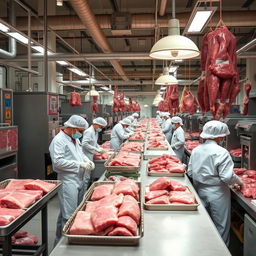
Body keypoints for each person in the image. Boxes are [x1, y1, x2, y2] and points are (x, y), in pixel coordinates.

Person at [187, 120, 243, 246]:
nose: (224, 137)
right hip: (218, 193)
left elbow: (190, 172)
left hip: (199, 189)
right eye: (223, 135)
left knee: (204, 224)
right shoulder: (221, 152)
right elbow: (227, 177)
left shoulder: (196, 150)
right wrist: (240, 182)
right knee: (221, 226)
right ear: (218, 136)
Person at [49, 115, 95, 245]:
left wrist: (86, 160)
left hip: (78, 179)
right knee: (68, 216)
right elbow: (57, 163)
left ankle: (58, 243)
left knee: (68, 213)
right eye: (80, 131)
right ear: (72, 128)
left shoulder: (74, 139)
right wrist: (79, 165)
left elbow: (80, 154)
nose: (81, 134)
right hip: (68, 181)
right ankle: (64, 248)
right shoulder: (58, 140)